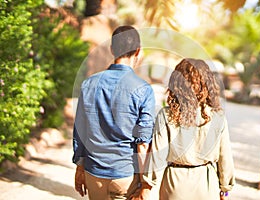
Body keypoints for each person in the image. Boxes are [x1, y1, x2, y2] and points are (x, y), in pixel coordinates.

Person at [72, 25, 156, 200]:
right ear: (138, 51)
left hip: (94, 172)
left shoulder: (89, 84)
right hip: (125, 174)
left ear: (112, 49)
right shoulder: (143, 89)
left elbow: (80, 130)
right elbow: (142, 144)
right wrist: (144, 183)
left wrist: (80, 167)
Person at [139, 58, 235, 200]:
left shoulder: (166, 115)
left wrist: (147, 186)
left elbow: (157, 156)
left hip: (175, 185)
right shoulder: (217, 117)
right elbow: (225, 158)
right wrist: (225, 189)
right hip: (207, 185)